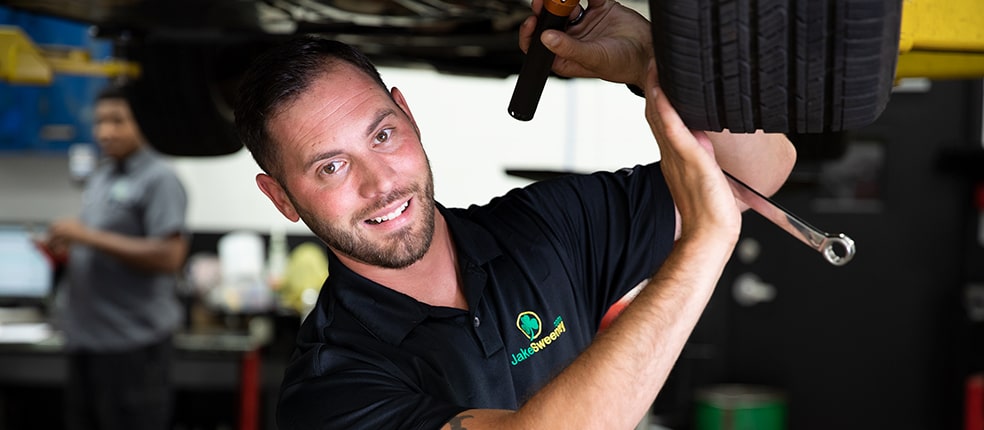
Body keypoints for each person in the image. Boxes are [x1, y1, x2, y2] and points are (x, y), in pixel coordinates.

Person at [233, 0, 796, 428]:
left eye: (383, 135)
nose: (380, 183)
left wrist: (654, 60)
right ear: (281, 198)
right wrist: (703, 246)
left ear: (408, 115)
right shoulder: (329, 388)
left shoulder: (545, 227)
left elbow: (762, 170)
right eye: (331, 167)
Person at [44, 83, 189, 430]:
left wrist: (86, 236)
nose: (105, 132)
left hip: (131, 347)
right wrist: (68, 247)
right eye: (99, 122)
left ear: (144, 121)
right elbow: (100, 244)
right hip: (87, 340)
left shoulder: (160, 178)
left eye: (117, 121)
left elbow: (170, 256)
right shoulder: (102, 176)